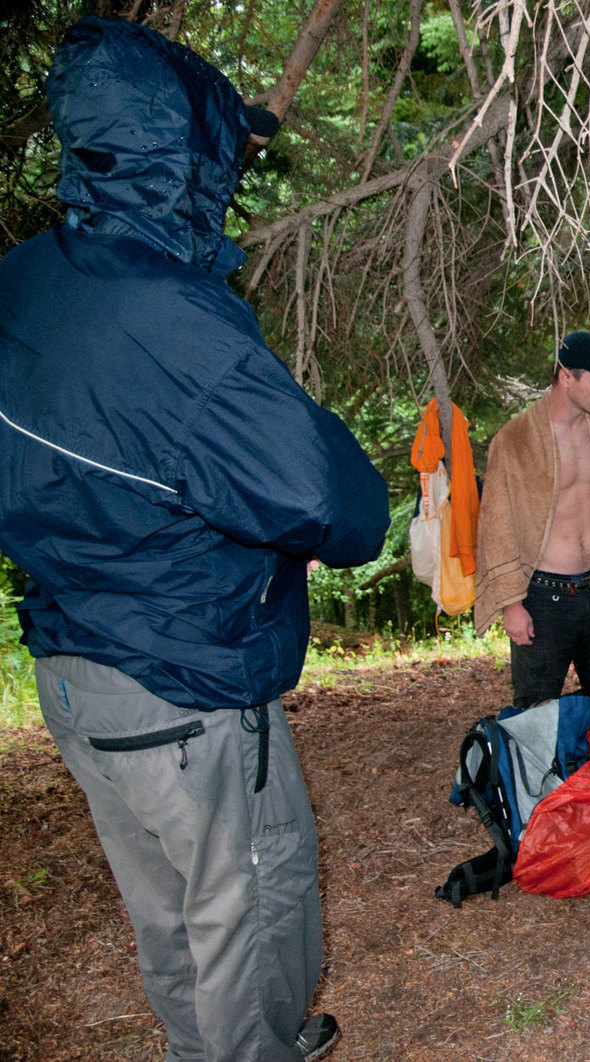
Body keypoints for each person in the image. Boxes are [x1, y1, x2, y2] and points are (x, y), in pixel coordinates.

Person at [0, 17, 391, 1061]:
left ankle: (217, 1047)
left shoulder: (26, 280)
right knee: (247, 910)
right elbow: (343, 509)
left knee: (169, 908)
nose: (240, 177)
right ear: (183, 157)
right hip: (186, 680)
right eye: (230, 154)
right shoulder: (176, 328)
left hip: (77, 671)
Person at [475, 331, 590, 714]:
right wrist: (511, 605)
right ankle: (540, 775)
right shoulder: (514, 439)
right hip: (542, 594)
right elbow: (496, 526)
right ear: (565, 376)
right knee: (535, 708)